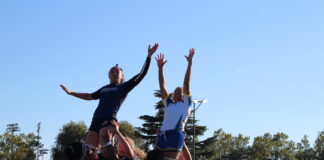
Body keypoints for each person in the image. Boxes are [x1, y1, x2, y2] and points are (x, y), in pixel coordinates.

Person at [60, 43, 159, 151]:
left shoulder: (124, 87)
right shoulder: (103, 89)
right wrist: (71, 92)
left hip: (108, 120)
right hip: (95, 120)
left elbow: (141, 74)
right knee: (88, 151)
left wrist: (148, 57)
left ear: (122, 77)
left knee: (106, 150)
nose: (114, 72)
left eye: (117, 71)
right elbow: (89, 96)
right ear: (108, 75)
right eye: (112, 71)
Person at [154, 48, 195, 160]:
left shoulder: (186, 104)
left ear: (184, 95)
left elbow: (186, 82)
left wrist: (190, 64)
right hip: (162, 135)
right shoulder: (169, 104)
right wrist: (160, 68)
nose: (176, 92)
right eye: (175, 91)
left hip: (175, 135)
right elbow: (162, 86)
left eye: (179, 91)